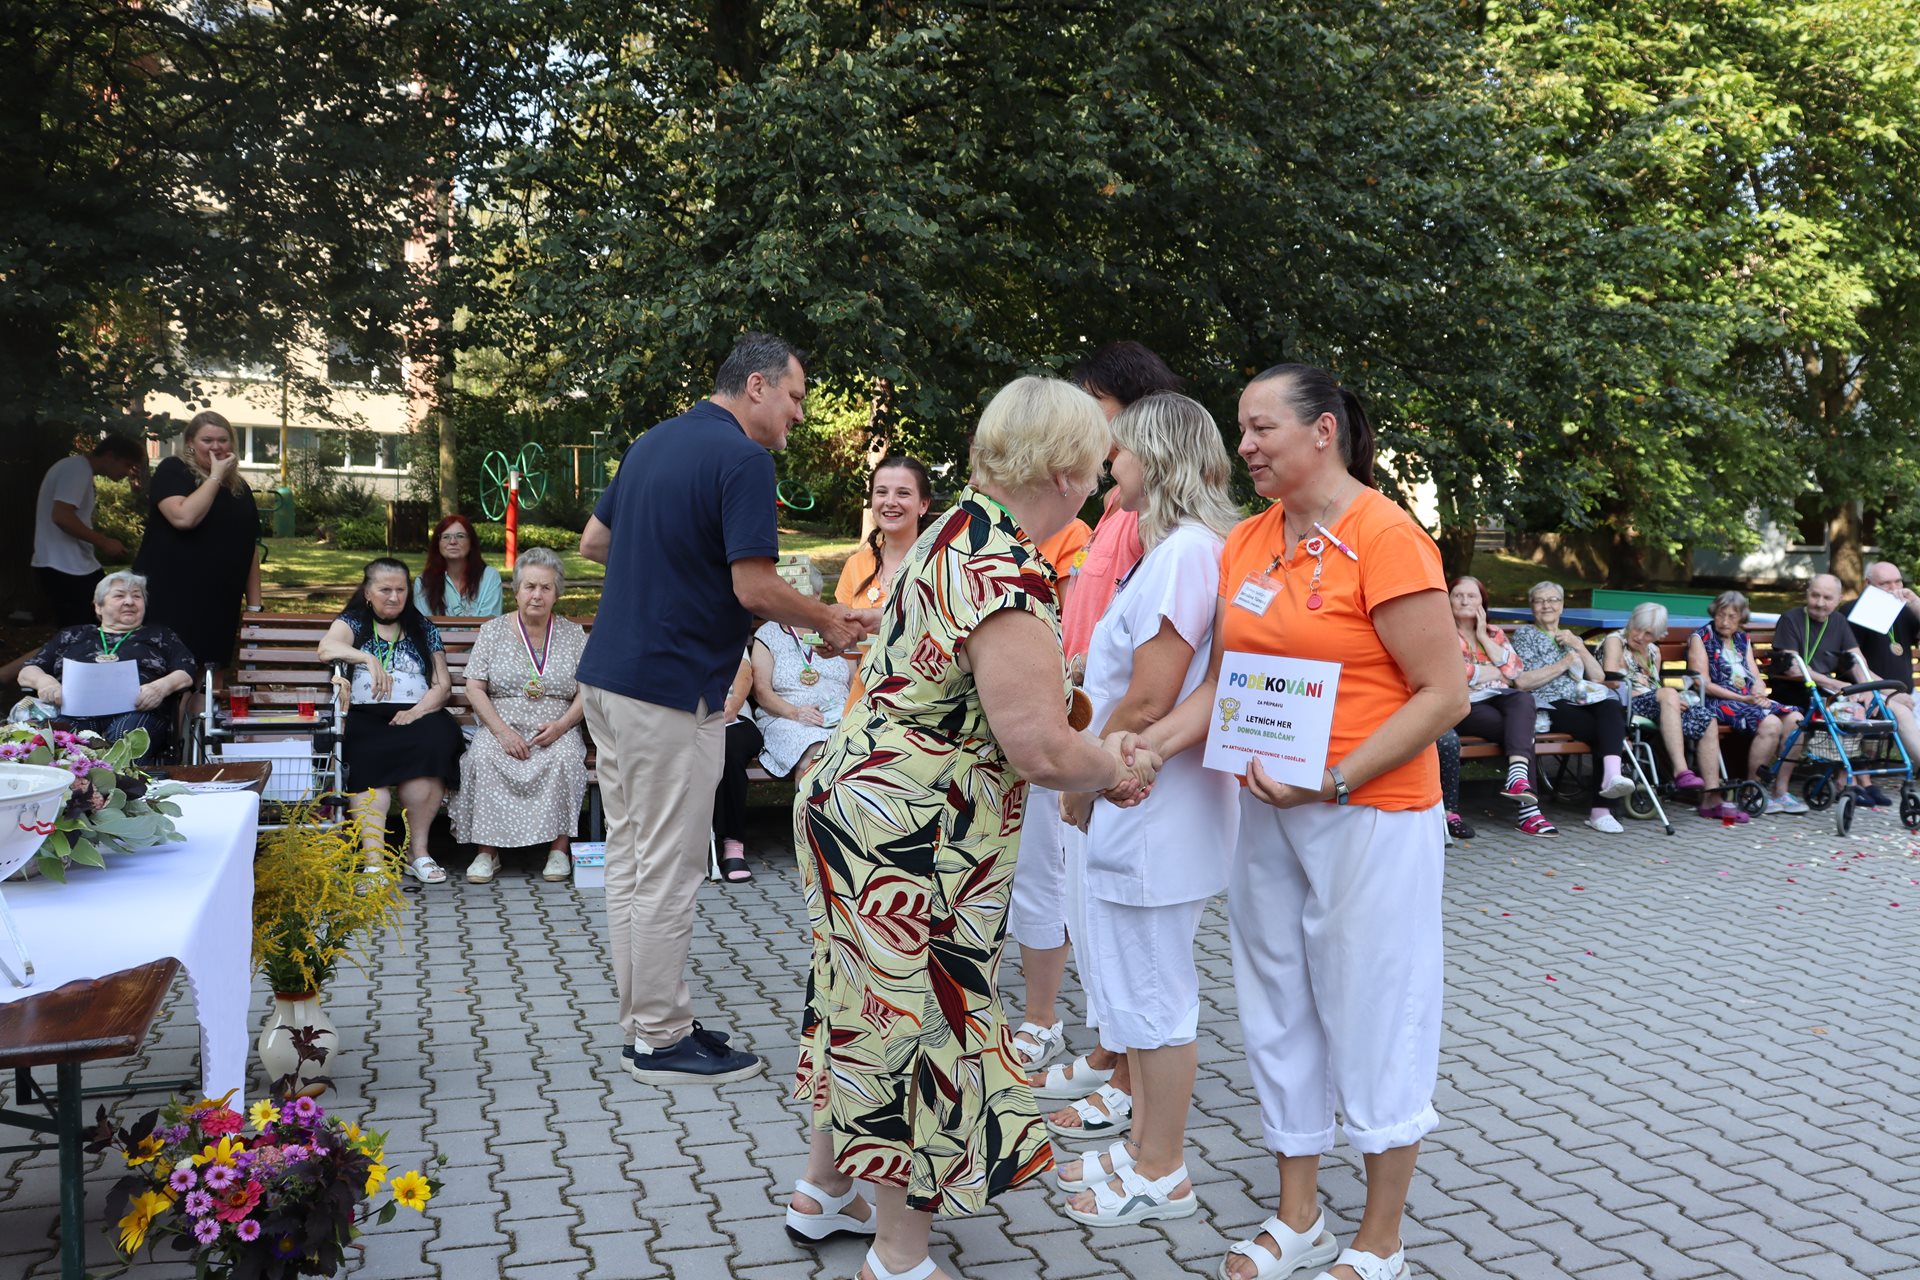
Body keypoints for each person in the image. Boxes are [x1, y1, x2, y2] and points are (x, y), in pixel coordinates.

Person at [784, 376, 1158, 1280]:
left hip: (855, 801)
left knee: (858, 1005)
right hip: (915, 834)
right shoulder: (1010, 572)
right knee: (922, 1033)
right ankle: (898, 1253)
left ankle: (823, 1191)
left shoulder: (953, 528)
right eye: (1095, 466)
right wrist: (1116, 768)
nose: (1099, 484)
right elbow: (1040, 748)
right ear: (1065, 471)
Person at [1138, 363, 1463, 1280]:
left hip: (1369, 812)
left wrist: (1334, 778)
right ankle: (1298, 1218)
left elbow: (1444, 693)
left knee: (1374, 1008)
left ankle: (1381, 1240)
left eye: (1261, 428)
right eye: (1241, 429)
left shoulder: (1387, 536)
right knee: (1277, 1001)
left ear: (1323, 432)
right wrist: (1148, 750)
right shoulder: (1249, 539)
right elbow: (1222, 685)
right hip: (1268, 810)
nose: (1244, 446)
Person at [576, 332, 868, 1087]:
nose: (799, 415)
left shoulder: (652, 442)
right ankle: (662, 1040)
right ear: (758, 385)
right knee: (669, 870)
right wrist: (828, 620)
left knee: (633, 861)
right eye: (796, 397)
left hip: (608, 682)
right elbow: (753, 586)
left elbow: (596, 542)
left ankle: (648, 1025)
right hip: (670, 692)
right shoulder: (744, 459)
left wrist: (670, 574)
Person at [1049, 391, 1241, 1228]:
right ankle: (1142, 1149)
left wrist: (1083, 779)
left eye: (1119, 449)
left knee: (1156, 995)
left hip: (1150, 801)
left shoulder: (1184, 553)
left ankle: (1163, 1169)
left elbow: (1151, 695)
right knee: (1136, 989)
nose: (1108, 463)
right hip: (1146, 797)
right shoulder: (1172, 550)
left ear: (1155, 457)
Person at [1030, 340, 1185, 1122]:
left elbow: (1148, 667)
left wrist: (1093, 769)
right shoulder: (1117, 510)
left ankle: (1127, 1077)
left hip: (1115, 745)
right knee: (1089, 909)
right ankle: (1110, 1050)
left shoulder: (1155, 528)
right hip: (1090, 727)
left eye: (1093, 404)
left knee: (1117, 919)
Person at [1005, 509, 1094, 1078]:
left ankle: (1041, 1020)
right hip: (988, 727)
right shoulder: (985, 525)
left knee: (1041, 874)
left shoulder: (1072, 535)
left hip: (1043, 719)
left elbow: (1070, 635)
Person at [318, 558, 467, 883]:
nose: (394, 597)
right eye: (385, 590)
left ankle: (418, 852)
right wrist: (366, 657)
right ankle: (375, 862)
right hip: (364, 715)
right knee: (364, 749)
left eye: (401, 590)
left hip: (418, 713)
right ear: (367, 592)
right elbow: (327, 648)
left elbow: (442, 686)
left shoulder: (422, 627)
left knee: (437, 738)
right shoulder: (353, 622)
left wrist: (416, 712)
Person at [451, 548, 588, 884]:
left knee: (566, 757)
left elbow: (588, 691)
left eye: (546, 587)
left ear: (557, 593)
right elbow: (474, 687)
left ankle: (558, 849)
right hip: (502, 725)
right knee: (482, 755)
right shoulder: (493, 631)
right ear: (516, 591)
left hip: (554, 727)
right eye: (530, 587)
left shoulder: (573, 634)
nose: (537, 595)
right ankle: (487, 852)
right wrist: (501, 732)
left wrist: (562, 726)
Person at [17, 571, 195, 762]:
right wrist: (46, 683)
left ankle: (119, 780)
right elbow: (28, 670)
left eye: (137, 596)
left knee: (126, 740)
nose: (129, 602)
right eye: (119, 595)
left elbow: (186, 669)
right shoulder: (72, 635)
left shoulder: (160, 635)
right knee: (53, 744)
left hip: (138, 712)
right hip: (73, 713)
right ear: (99, 606)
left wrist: (160, 687)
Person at [133, 411, 263, 669]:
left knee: (211, 669)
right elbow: (184, 518)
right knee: (168, 669)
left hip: (220, 599)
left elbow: (249, 549)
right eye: (207, 440)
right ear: (190, 443)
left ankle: (205, 699)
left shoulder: (239, 489)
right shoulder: (173, 471)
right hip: (171, 595)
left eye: (223, 440)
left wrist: (255, 606)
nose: (216, 446)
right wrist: (215, 476)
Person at [1508, 581, 1636, 834]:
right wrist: (1565, 663)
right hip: (1548, 702)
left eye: (1553, 600)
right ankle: (1601, 810)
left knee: (1610, 705)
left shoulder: (1571, 638)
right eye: (1539, 600)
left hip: (1581, 698)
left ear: (1562, 605)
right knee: (1605, 733)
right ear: (1532, 607)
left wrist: (1578, 646)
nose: (1546, 605)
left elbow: (1598, 677)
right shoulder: (1525, 636)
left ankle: (1612, 776)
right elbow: (1524, 681)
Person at [1600, 603, 1745, 823]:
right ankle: (1681, 772)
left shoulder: (1654, 651)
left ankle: (1711, 798)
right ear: (1631, 622)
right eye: (1637, 628)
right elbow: (1610, 681)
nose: (1639, 636)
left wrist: (1673, 700)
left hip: (1656, 704)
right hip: (1623, 705)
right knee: (1668, 693)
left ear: (1657, 635)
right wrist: (1667, 697)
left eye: (1648, 633)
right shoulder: (1615, 641)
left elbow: (1655, 686)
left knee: (1707, 719)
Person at [1448, 576, 1555, 836]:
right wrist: (1495, 671)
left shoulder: (1493, 633)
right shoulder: (1442, 632)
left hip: (1499, 698)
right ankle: (1530, 813)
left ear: (1482, 602)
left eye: (1471, 596)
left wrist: (1483, 638)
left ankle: (1517, 777)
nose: (1464, 601)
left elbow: (1516, 671)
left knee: (1523, 700)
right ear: (1448, 600)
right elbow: (1455, 673)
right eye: (1458, 595)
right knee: (1521, 732)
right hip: (1463, 704)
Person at [1689, 590, 1807, 815]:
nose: (1725, 622)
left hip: (1746, 700)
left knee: (1796, 720)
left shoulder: (1742, 639)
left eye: (1732, 617)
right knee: (1771, 723)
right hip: (1717, 701)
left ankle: (1780, 791)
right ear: (1714, 613)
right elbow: (1702, 683)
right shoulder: (1700, 638)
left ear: (1741, 618)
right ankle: (1753, 791)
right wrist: (1743, 698)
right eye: (1721, 615)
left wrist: (1759, 690)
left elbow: (1754, 675)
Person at [1769, 573, 1883, 802]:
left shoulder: (1838, 621)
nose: (1820, 603)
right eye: (1815, 595)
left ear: (1838, 599)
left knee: (1860, 709)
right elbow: (1793, 667)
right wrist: (1837, 685)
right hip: (1792, 688)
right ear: (1807, 594)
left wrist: (1866, 688)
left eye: (1827, 598)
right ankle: (1780, 789)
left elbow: (1856, 660)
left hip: (1823, 690)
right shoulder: (1791, 618)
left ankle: (1845, 782)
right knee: (1809, 717)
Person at [834, 456, 934, 713]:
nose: (890, 501)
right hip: (864, 700)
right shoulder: (856, 564)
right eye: (881, 492)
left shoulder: (940, 563)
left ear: (923, 504)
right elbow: (849, 644)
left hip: (923, 704)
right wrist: (833, 641)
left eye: (903, 493)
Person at [33, 435, 147, 626]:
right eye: (126, 465)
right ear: (110, 456)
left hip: (71, 565)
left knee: (99, 621)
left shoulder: (77, 468)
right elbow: (61, 516)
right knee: (87, 627)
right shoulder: (77, 469)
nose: (127, 472)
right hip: (64, 567)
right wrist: (104, 542)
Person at [750, 619, 851, 779]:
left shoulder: (836, 630)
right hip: (787, 718)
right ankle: (813, 797)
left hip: (842, 716)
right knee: (818, 751)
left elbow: (855, 683)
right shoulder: (768, 633)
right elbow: (761, 690)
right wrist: (795, 713)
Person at [1850, 561, 1920, 786]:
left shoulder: (1904, 609)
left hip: (1907, 692)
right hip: (1872, 692)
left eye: (1898, 581)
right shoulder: (1854, 612)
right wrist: (1892, 692)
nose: (1894, 588)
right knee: (1903, 712)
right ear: (1868, 584)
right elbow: (1853, 664)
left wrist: (1916, 602)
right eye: (1886, 583)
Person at [712, 654, 760, 883]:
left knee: (727, 748)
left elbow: (743, 671)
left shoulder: (724, 629)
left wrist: (735, 702)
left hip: (733, 715)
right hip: (683, 715)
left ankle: (733, 844)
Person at [414, 514, 504, 617]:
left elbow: (490, 623)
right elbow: (423, 625)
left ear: (471, 543)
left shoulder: (489, 577)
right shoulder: (423, 582)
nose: (452, 542)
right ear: (437, 544)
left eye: (460, 536)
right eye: (446, 537)